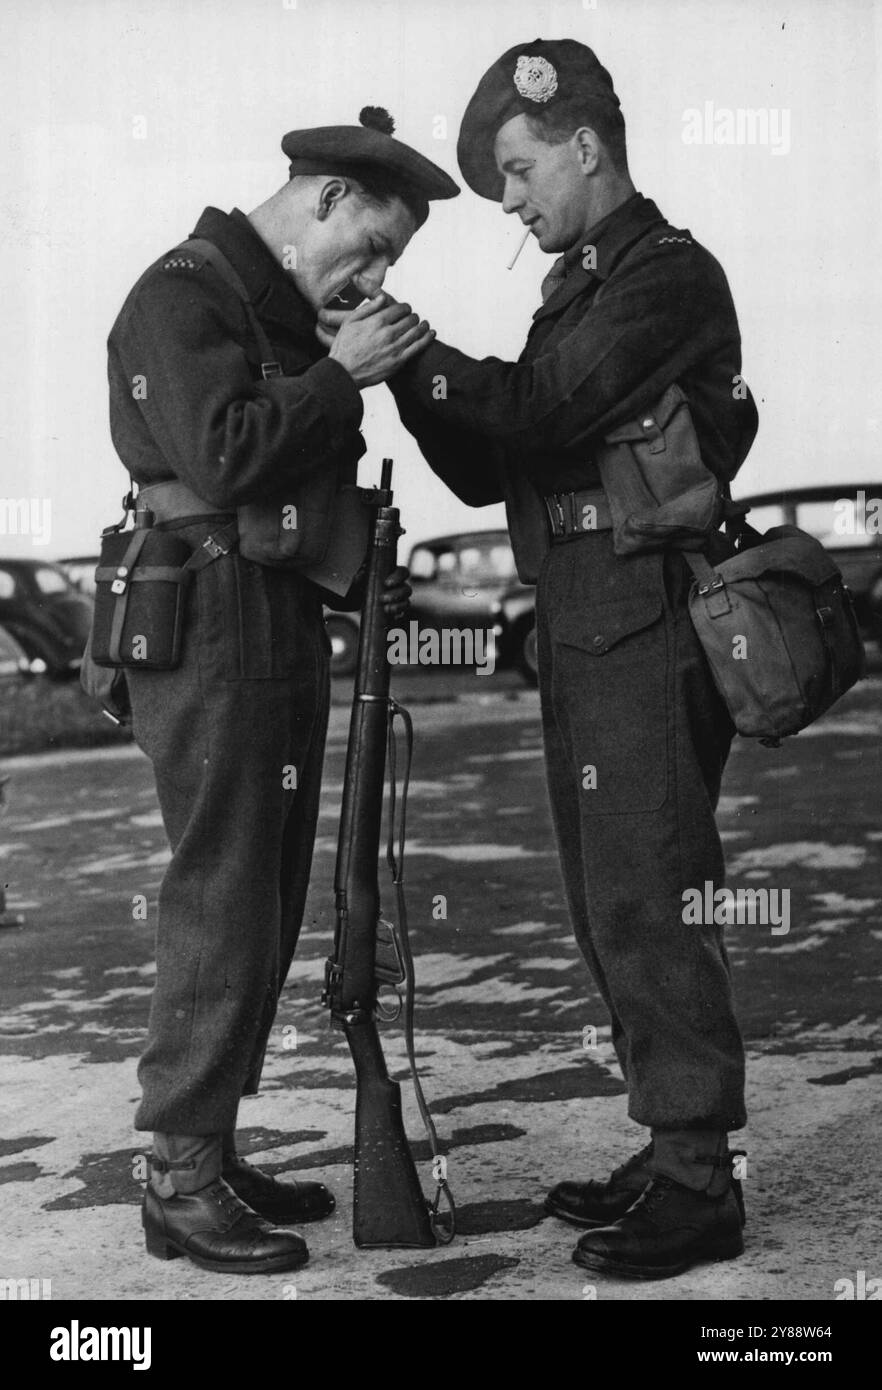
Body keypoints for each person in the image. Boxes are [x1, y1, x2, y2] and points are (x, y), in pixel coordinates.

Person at [319, 41, 759, 1280]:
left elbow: (536, 411)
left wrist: (419, 355)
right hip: (581, 617)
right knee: (604, 896)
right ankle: (668, 1144)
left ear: (583, 144)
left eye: (517, 172)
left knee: (651, 890)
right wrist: (409, 373)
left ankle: (697, 1182)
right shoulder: (579, 286)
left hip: (641, 616)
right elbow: (493, 456)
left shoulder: (664, 275)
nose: (510, 201)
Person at [106, 107, 458, 1274]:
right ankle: (180, 1175)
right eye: (374, 246)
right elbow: (221, 457)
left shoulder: (267, 312)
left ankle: (211, 1141)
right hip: (205, 620)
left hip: (274, 614)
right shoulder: (182, 292)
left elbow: (291, 485)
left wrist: (360, 560)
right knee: (219, 890)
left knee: (259, 894)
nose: (376, 273)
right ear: (321, 204)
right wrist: (337, 373)